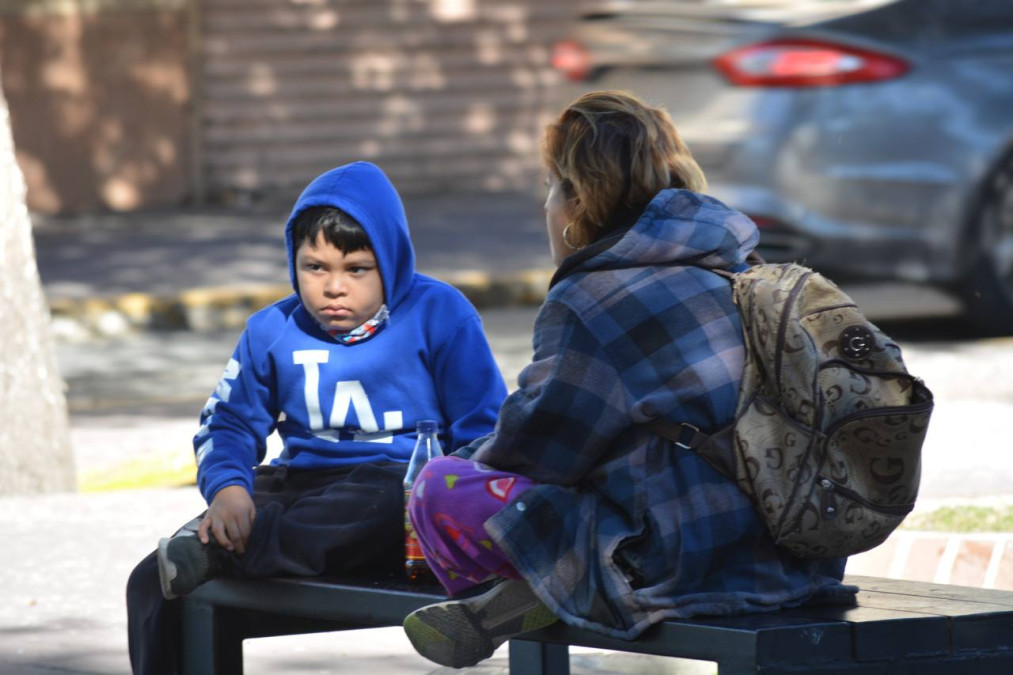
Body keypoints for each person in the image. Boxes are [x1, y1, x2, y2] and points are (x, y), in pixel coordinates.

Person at [402, 91, 857, 669]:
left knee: (441, 487)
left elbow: (539, 449)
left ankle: (554, 588)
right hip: (798, 552)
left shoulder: (591, 296)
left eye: (551, 187)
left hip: (674, 560)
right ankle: (540, 590)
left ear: (578, 202)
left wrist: (471, 457)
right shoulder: (745, 268)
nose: (546, 204)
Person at [125, 161, 508, 675]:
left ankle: (236, 549)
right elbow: (228, 424)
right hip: (301, 492)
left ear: (390, 262)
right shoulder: (272, 329)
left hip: (401, 504)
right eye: (315, 267)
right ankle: (227, 545)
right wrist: (228, 493)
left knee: (381, 490)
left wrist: (444, 498)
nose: (333, 287)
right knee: (151, 581)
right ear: (294, 262)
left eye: (356, 269)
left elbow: (483, 436)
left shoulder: (442, 314)